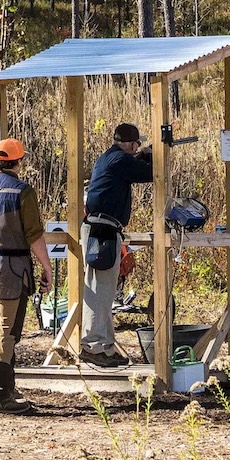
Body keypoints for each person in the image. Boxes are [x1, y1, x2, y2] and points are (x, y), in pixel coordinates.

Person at [0, 137, 46, 415]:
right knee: (6, 332)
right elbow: (34, 235)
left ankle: (7, 389)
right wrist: (47, 269)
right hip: (12, 271)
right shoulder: (23, 192)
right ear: (19, 160)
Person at [79, 124, 154, 368]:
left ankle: (105, 347)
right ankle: (94, 346)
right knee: (101, 291)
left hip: (101, 229)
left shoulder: (111, 158)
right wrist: (153, 156)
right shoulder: (120, 160)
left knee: (103, 289)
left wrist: (143, 155)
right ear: (133, 145)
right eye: (138, 146)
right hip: (103, 231)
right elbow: (151, 174)